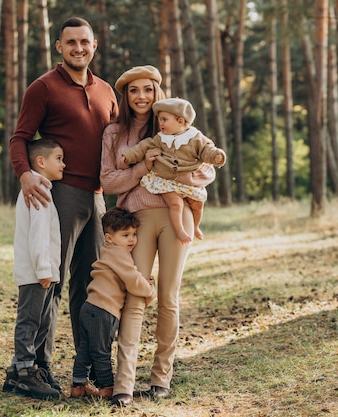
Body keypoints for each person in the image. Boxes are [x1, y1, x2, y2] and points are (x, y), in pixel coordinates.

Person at [8, 16, 118, 391]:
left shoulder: (106, 91)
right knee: (48, 281)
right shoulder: (43, 88)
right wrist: (25, 174)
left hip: (97, 198)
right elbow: (19, 137)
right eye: (70, 42)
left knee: (89, 287)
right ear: (59, 47)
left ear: (94, 45)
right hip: (61, 194)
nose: (78, 48)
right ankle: (33, 368)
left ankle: (82, 374)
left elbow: (118, 145)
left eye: (84, 42)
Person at [100, 65, 216, 406]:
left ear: (157, 93)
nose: (141, 97)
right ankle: (124, 384)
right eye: (134, 91)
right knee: (135, 296)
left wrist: (177, 176)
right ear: (126, 95)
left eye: (147, 90)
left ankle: (160, 378)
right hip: (135, 222)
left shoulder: (176, 126)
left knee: (168, 296)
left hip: (174, 216)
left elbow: (206, 170)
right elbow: (108, 181)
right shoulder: (113, 133)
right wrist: (143, 168)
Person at [70, 207, 156, 400]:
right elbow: (133, 280)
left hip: (89, 306)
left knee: (86, 348)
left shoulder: (109, 252)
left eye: (134, 234)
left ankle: (78, 384)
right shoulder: (119, 254)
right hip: (104, 310)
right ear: (109, 238)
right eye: (125, 235)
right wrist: (150, 291)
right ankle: (107, 387)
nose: (132, 239)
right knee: (101, 351)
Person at [3, 139, 65, 400]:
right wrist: (43, 270)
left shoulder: (44, 189)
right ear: (41, 161)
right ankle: (25, 373)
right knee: (30, 322)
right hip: (37, 274)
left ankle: (19, 371)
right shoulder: (38, 190)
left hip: (45, 273)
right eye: (59, 158)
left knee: (42, 322)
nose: (64, 164)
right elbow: (38, 235)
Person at [120, 97, 226, 244]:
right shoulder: (160, 138)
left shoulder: (195, 138)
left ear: (180, 121)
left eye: (164, 120)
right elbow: (144, 146)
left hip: (189, 183)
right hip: (166, 180)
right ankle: (179, 230)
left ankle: (195, 226)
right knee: (176, 204)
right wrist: (129, 156)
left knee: (198, 204)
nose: (160, 123)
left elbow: (206, 150)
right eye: (159, 119)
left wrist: (216, 156)